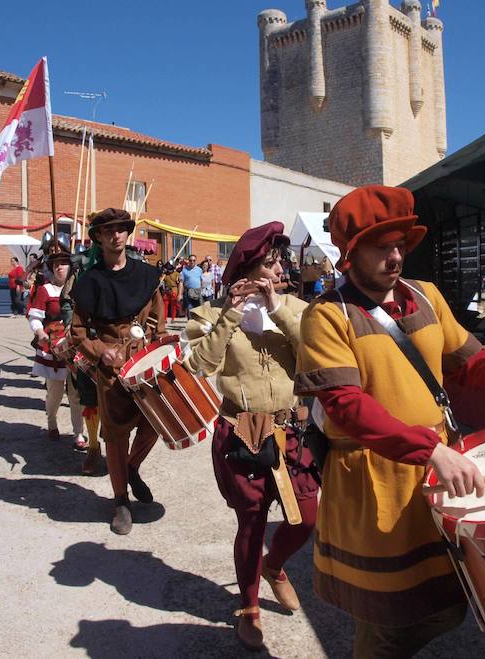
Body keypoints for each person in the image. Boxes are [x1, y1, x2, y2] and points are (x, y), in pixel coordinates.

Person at [294, 185, 485, 658]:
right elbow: (346, 406)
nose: (396, 256)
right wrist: (432, 448)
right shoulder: (326, 316)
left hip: (436, 474)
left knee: (447, 601)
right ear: (351, 254)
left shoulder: (427, 296)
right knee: (387, 620)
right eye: (382, 246)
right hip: (373, 483)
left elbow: (467, 365)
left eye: (400, 244)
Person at [182, 222, 317, 651]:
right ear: (244, 270)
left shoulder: (296, 307)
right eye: (266, 265)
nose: (274, 271)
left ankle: (274, 567)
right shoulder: (209, 314)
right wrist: (230, 314)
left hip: (293, 426)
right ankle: (250, 607)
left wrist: (277, 306)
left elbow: (313, 356)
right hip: (243, 430)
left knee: (306, 518)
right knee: (252, 520)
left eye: (277, 264)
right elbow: (201, 365)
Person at [69, 207, 167, 535]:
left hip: (144, 361)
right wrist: (100, 352)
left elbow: (157, 315)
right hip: (110, 372)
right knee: (115, 436)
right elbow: (78, 332)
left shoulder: (145, 275)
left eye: (121, 229)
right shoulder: (89, 281)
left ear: (127, 233)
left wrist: (155, 342)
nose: (116, 235)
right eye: (108, 231)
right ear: (98, 237)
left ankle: (131, 467)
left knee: (156, 423)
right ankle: (121, 500)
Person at [27, 245, 84, 443]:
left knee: (76, 395)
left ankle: (79, 433)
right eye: (57, 264)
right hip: (52, 347)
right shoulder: (45, 290)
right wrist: (40, 332)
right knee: (56, 394)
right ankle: (52, 422)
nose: (60, 267)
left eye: (64, 264)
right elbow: (35, 317)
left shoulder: (79, 289)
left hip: (75, 347)